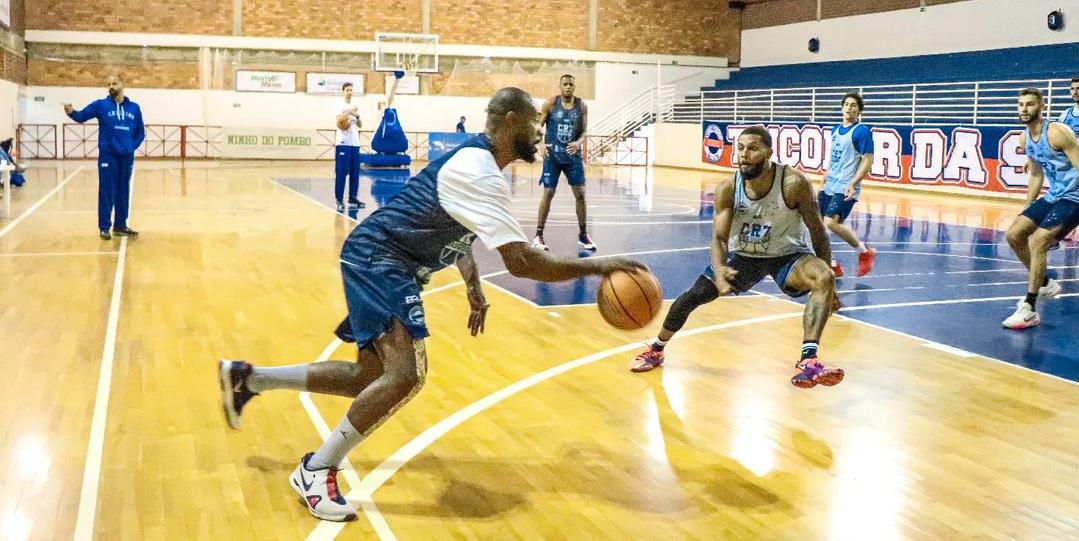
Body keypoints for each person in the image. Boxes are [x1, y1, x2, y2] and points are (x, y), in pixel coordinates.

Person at [217, 87, 645, 522]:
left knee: (368, 376)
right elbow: (522, 262)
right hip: (381, 259)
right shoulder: (478, 169)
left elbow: (458, 229)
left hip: (378, 256)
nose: (541, 132)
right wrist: (600, 267)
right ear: (512, 121)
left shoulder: (478, 164)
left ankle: (250, 380)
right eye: (535, 121)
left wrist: (473, 285)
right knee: (406, 375)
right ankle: (316, 469)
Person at [628, 126, 844, 389]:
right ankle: (657, 348)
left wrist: (829, 282)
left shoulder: (793, 184)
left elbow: (818, 230)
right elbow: (719, 239)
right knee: (693, 296)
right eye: (740, 148)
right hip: (745, 256)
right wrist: (719, 269)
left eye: (753, 148)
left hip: (788, 255)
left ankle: (808, 362)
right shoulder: (728, 188)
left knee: (824, 277)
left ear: (769, 152)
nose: (743, 154)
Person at [1002, 88, 1079, 329]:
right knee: (1014, 234)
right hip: (1054, 194)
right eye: (1021, 104)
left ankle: (1029, 308)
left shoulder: (1057, 132)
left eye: (1030, 104)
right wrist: (1027, 209)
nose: (1024, 109)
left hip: (1075, 196)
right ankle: (1045, 283)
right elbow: (1036, 174)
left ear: (1041, 106)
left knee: (1038, 241)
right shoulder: (1024, 138)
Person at [64, 74, 144, 240]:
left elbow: (140, 133)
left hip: (126, 157)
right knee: (107, 190)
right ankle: (104, 227)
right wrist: (71, 112)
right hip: (108, 156)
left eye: (114, 83)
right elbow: (81, 116)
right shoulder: (101, 105)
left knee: (123, 191)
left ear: (123, 84)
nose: (111, 86)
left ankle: (121, 225)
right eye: (108, 84)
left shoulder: (134, 108)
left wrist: (131, 147)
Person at [532, 74, 595, 252]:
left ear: (574, 87)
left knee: (580, 194)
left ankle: (583, 234)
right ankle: (538, 235)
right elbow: (536, 127)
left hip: (572, 157)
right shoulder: (550, 104)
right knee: (548, 193)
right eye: (565, 84)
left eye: (571, 85)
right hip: (552, 156)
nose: (568, 87)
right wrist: (540, 144)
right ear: (560, 86)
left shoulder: (581, 106)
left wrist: (578, 143)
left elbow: (584, 131)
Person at [819, 92, 876, 277]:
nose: (850, 108)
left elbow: (867, 161)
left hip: (846, 186)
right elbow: (836, 158)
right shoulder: (835, 130)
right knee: (819, 227)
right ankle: (833, 263)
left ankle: (864, 252)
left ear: (859, 111)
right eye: (847, 104)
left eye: (854, 106)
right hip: (831, 184)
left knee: (830, 222)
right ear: (842, 107)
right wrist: (826, 175)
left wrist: (853, 182)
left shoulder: (861, 131)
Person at [334, 82, 364, 213]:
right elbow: (338, 120)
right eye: (347, 90)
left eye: (351, 90)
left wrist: (357, 116)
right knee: (341, 173)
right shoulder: (339, 106)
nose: (350, 92)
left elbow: (360, 125)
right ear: (343, 92)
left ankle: (353, 198)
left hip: (354, 144)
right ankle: (339, 199)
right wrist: (350, 112)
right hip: (343, 143)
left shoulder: (354, 108)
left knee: (355, 173)